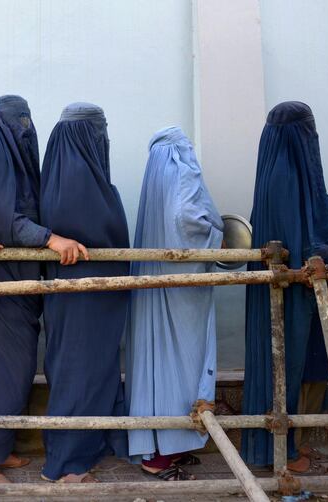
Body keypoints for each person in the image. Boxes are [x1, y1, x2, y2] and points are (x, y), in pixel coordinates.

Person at [0, 95, 88, 483]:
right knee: (2, 372)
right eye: (18, 121)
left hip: (20, 281)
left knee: (18, 369)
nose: (25, 128)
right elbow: (3, 222)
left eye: (28, 120)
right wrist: (51, 239)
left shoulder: (12, 161)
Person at [241, 101, 328, 473]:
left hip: (309, 289)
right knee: (287, 364)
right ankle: (278, 452)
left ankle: (293, 443)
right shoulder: (284, 179)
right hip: (290, 293)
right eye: (307, 130)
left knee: (308, 364)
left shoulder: (291, 176)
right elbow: (299, 242)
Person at [125, 126, 223, 481]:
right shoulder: (181, 166)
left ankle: (163, 446)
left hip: (155, 280)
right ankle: (161, 455)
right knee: (183, 364)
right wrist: (218, 235)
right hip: (182, 289)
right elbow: (186, 221)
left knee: (156, 362)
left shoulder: (155, 173)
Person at [39, 102, 128, 483]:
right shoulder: (80, 186)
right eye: (99, 132)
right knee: (79, 372)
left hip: (89, 300)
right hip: (83, 300)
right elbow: (100, 228)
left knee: (91, 370)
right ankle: (66, 463)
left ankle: (89, 446)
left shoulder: (60, 177)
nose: (104, 140)